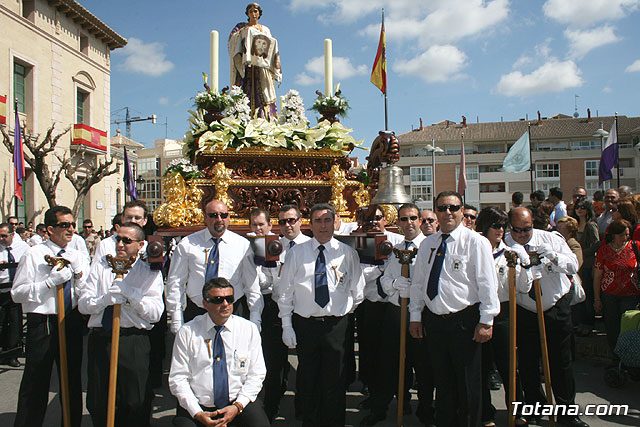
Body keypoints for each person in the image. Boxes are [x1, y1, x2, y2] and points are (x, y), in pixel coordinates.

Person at [409, 191, 499, 427]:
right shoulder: (428, 243)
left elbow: (487, 283)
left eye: (453, 207)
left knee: (468, 384)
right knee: (443, 383)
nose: (447, 212)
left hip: (465, 322)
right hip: (435, 323)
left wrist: (486, 320)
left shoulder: (476, 242)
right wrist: (415, 317)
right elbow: (418, 284)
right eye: (442, 208)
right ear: (436, 211)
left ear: (462, 211)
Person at [275, 203, 365, 427]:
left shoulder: (347, 253)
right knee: (308, 379)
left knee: (335, 381)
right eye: (318, 221)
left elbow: (358, 291)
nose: (323, 226)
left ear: (335, 223)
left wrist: (341, 312)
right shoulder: (296, 253)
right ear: (310, 224)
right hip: (306, 325)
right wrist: (287, 325)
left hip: (336, 327)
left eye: (327, 220)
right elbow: (284, 293)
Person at [505, 207, 588, 427]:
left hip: (554, 306)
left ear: (534, 223)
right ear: (509, 227)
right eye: (517, 230)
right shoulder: (506, 243)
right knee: (528, 362)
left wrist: (553, 255)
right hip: (525, 309)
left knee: (561, 362)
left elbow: (573, 264)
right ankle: (534, 405)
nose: (523, 234)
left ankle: (566, 411)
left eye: (527, 229)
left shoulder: (551, 239)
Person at [78, 222, 164, 427]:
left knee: (134, 401)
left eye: (127, 240)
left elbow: (155, 314)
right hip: (101, 338)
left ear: (141, 244)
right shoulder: (101, 265)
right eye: (118, 238)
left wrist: (131, 295)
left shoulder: (149, 272)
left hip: (132, 340)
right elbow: (83, 304)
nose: (121, 244)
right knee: (99, 402)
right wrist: (104, 301)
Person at [11, 206, 90, 427]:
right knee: (36, 381)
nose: (71, 229)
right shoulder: (34, 254)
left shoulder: (77, 255)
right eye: (64, 225)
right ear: (49, 229)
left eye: (72, 224)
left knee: (71, 380)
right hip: (44, 322)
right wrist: (49, 283)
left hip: (70, 320)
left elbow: (84, 291)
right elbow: (17, 293)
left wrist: (79, 277)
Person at [362, 203, 434, 426]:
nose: (409, 223)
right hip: (395, 312)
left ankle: (425, 408)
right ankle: (380, 407)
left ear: (420, 221)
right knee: (389, 363)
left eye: (413, 218)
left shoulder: (431, 247)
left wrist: (414, 289)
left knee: (423, 365)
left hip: (422, 312)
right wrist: (394, 283)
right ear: (398, 223)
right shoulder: (395, 249)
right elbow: (383, 280)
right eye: (403, 219)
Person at [169, 277, 270, 427]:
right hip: (200, 404)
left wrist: (238, 406)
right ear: (205, 303)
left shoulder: (248, 329)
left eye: (229, 299)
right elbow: (178, 378)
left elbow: (257, 374)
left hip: (237, 402)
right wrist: (197, 412)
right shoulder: (187, 332)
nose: (225, 304)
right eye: (217, 300)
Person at [166, 199, 262, 333]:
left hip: (232, 310)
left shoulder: (242, 245)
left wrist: (255, 317)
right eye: (213, 215)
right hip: (198, 310)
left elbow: (252, 283)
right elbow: (175, 282)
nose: (219, 219)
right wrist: (176, 317)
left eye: (223, 215)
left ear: (229, 217)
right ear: (205, 217)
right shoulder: (187, 244)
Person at [475, 207, 533, 427]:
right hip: (479, 312)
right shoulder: (476, 250)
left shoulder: (513, 252)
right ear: (485, 227)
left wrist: (520, 267)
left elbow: (524, 286)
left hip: (504, 311)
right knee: (481, 365)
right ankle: (485, 413)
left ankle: (517, 410)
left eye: (503, 226)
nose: (500, 230)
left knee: (509, 364)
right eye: (495, 225)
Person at [259, 205, 310, 421]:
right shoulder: (270, 245)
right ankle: (271, 407)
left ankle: (303, 408)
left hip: (304, 309)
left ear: (300, 221)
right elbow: (262, 280)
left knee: (307, 364)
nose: (287, 225)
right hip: (276, 308)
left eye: (291, 220)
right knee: (274, 363)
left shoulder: (311, 245)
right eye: (282, 221)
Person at [354, 206, 403, 421]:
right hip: (371, 303)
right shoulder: (362, 241)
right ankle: (375, 398)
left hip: (393, 304)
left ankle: (402, 398)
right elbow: (361, 275)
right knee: (371, 353)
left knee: (395, 354)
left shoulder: (397, 241)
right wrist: (381, 268)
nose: (374, 222)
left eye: (378, 218)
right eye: (369, 219)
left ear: (386, 219)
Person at [593, 220, 640, 356]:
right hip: (610, 295)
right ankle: (615, 359)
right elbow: (597, 276)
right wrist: (597, 299)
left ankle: (629, 358)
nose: (625, 238)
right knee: (612, 328)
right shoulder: (605, 250)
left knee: (628, 327)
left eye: (627, 235)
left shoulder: (635, 247)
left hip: (631, 294)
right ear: (614, 235)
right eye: (622, 235)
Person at [228, 2, 282, 119]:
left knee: (264, 92)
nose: (253, 13)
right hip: (246, 66)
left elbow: (270, 47)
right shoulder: (241, 27)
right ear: (247, 13)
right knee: (244, 91)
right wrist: (244, 34)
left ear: (259, 13)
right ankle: (243, 116)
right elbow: (232, 41)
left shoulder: (265, 29)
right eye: (251, 11)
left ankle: (264, 118)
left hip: (261, 67)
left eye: (255, 11)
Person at [0, 223, 29, 367]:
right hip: (1, 290)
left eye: (4, 236)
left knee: (15, 322)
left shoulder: (22, 248)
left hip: (14, 290)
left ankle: (13, 353)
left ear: (12, 235)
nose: (1, 239)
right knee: (2, 322)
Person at [572, 200, 600, 336]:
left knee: (588, 295)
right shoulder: (575, 223)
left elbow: (596, 244)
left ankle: (589, 323)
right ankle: (580, 322)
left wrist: (581, 252)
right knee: (579, 295)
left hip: (588, 264)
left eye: (583, 207)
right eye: (577, 207)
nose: (580, 210)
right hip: (577, 265)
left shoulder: (591, 225)